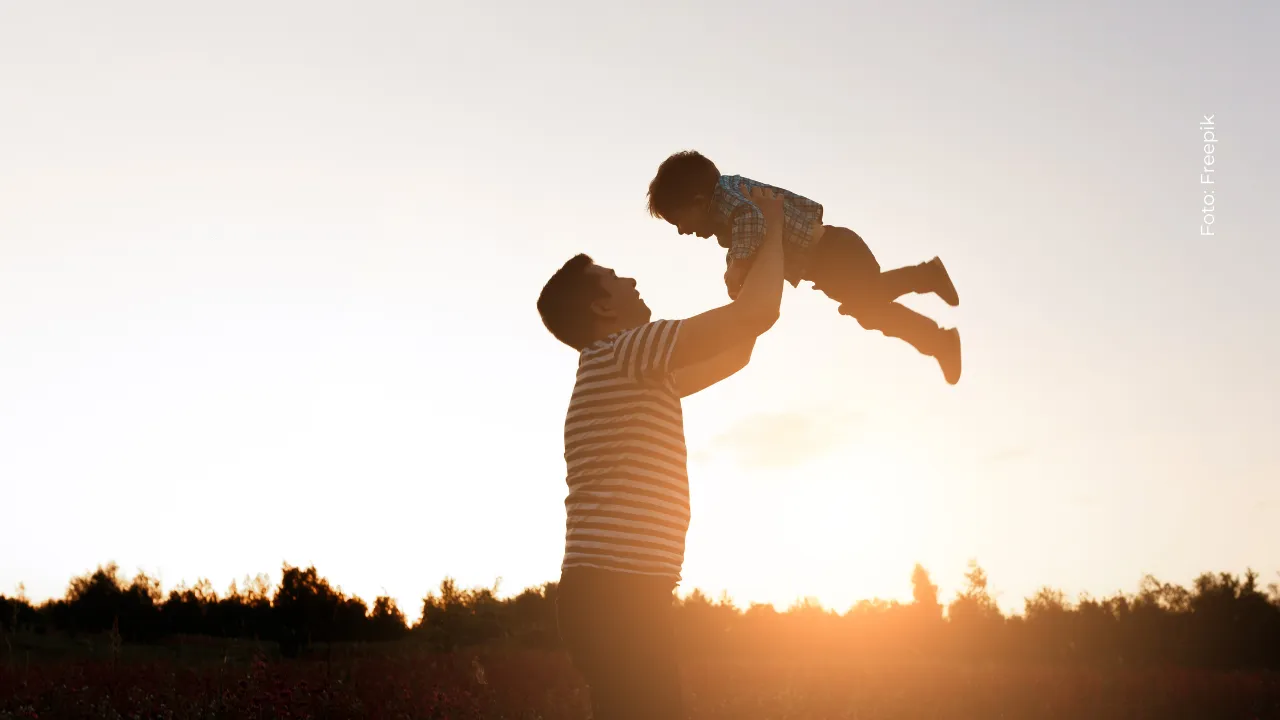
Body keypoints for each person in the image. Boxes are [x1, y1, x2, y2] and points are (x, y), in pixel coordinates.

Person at [535, 186, 794, 719]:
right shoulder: (625, 352)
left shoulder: (634, 369)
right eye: (615, 278)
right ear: (603, 305)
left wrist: (752, 266)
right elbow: (757, 314)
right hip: (615, 595)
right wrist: (770, 228)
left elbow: (738, 348)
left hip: (625, 595)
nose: (630, 279)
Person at [646, 149, 963, 385]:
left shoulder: (729, 201)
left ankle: (929, 288)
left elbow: (753, 221)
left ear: (699, 201)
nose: (681, 231)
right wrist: (736, 267)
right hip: (827, 261)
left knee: (868, 305)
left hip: (834, 253)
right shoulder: (730, 204)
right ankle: (937, 337)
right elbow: (748, 233)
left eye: (678, 221)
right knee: (870, 308)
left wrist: (738, 267)